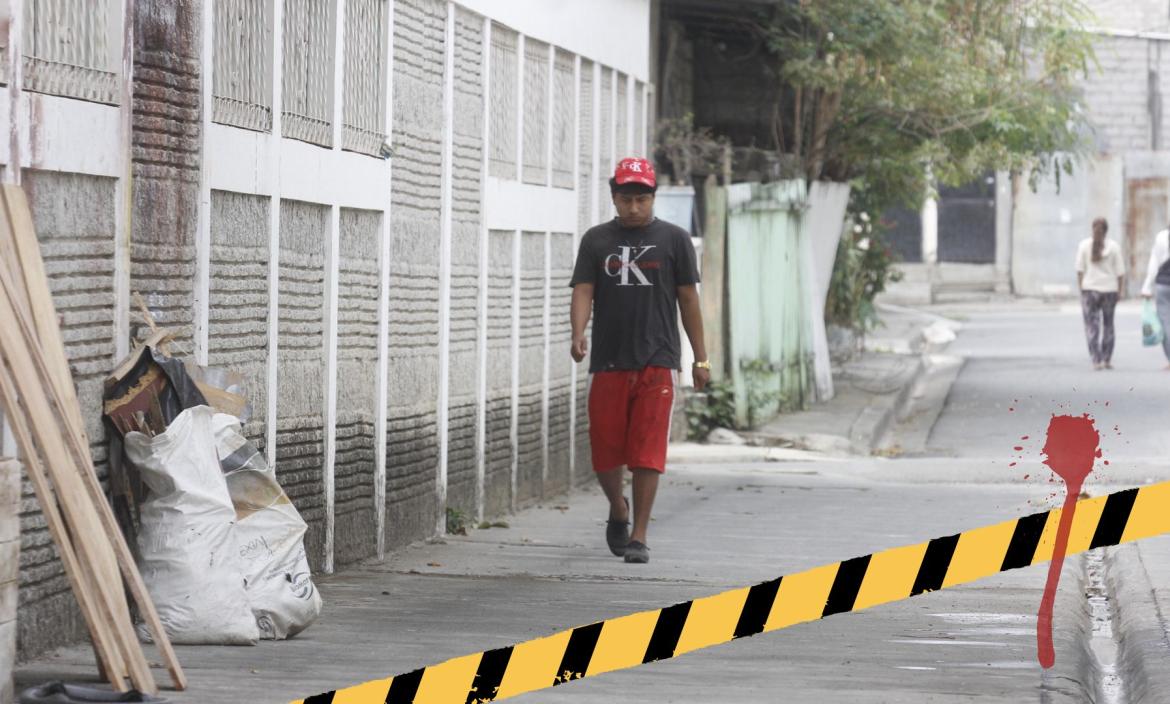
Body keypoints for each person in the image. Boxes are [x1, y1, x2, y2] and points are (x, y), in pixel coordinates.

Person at [568, 157, 710, 564]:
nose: (634, 207)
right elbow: (583, 289)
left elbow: (689, 300)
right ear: (614, 198)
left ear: (652, 198)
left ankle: (640, 536)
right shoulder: (596, 241)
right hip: (609, 360)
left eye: (641, 199)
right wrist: (578, 333)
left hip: (658, 359)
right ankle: (618, 508)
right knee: (606, 450)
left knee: (648, 452)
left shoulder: (675, 240)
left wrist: (701, 359)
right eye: (626, 199)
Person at [1075, 217, 1125, 370]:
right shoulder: (1114, 247)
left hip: (1090, 290)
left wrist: (1081, 288)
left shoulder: (1084, 246)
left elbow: (1079, 270)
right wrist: (1119, 291)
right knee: (1108, 325)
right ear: (1106, 230)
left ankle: (1096, 360)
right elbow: (1120, 273)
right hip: (1109, 290)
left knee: (1092, 326)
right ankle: (1107, 359)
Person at [1141, 223, 1170, 369]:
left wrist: (1147, 286)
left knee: (1165, 323)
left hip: (1163, 285)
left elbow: (1154, 264)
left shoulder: (1161, 237)